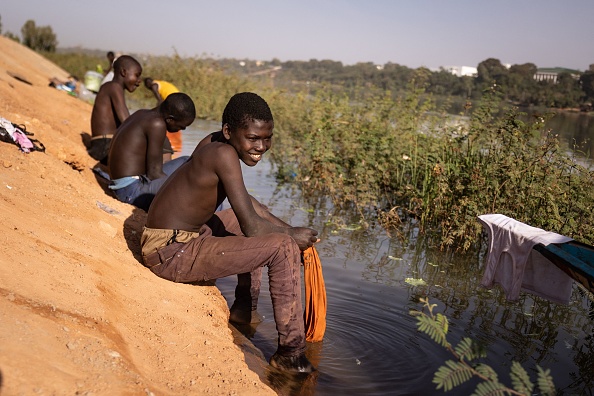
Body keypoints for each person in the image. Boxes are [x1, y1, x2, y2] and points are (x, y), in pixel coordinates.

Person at [141, 92, 319, 374]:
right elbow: (253, 227)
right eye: (253, 138)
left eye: (267, 138)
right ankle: (291, 353)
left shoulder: (215, 142)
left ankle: (242, 311)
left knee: (263, 227)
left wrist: (289, 229)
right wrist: (290, 238)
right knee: (281, 247)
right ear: (229, 131)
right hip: (170, 253)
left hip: (174, 239)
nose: (261, 146)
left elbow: (250, 207)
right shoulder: (223, 155)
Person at [108, 92, 195, 211]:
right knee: (189, 187)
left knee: (187, 162)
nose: (183, 130)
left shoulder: (142, 113)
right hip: (130, 191)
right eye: (181, 126)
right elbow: (154, 173)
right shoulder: (157, 124)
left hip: (127, 183)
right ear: (170, 120)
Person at [89, 55, 142, 164]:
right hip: (104, 146)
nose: (139, 81)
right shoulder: (114, 87)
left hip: (103, 144)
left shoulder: (112, 87)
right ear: (123, 72)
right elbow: (127, 122)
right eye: (137, 76)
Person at [144, 77, 183, 157]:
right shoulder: (160, 82)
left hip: (173, 99)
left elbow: (160, 101)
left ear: (148, 84)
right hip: (177, 97)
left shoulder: (154, 85)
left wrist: (154, 114)